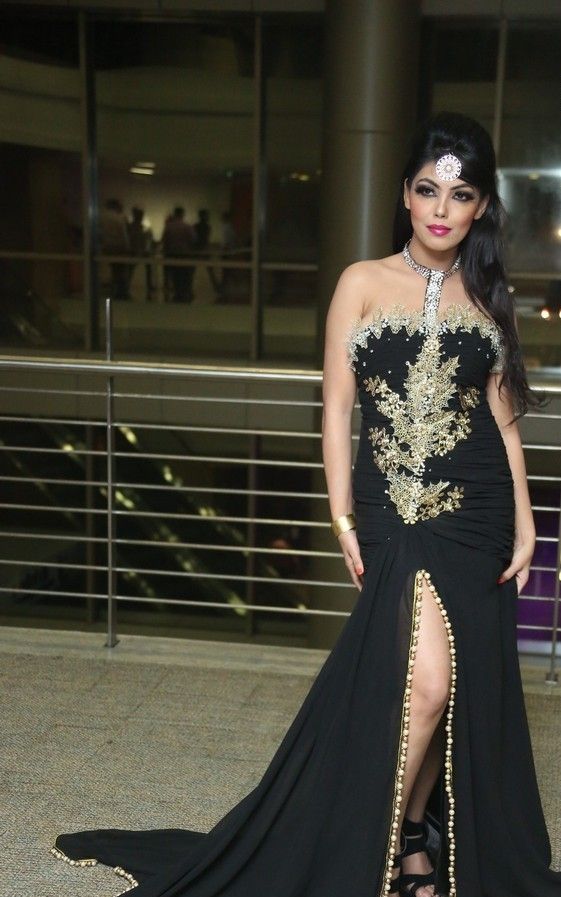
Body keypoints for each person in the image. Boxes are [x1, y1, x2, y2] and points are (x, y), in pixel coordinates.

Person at [50, 113, 561, 897]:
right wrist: (341, 515)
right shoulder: (360, 282)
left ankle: (409, 843)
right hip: (392, 509)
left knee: (452, 685)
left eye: (459, 195)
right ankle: (373, 844)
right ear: (404, 193)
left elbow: (500, 413)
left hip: (479, 512)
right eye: (428, 189)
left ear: (481, 206)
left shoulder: (488, 295)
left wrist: (525, 521)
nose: (440, 209)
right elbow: (335, 408)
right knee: (424, 682)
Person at [162, 207, 195, 303]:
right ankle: (184, 294)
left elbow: (164, 240)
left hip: (172, 254)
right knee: (184, 275)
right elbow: (193, 240)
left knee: (175, 276)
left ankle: (177, 294)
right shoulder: (187, 227)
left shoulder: (169, 227)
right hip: (184, 255)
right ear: (182, 214)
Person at [127, 206, 154, 301]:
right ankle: (149, 285)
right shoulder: (133, 227)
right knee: (130, 270)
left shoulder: (137, 227)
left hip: (139, 250)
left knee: (132, 269)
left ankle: (149, 285)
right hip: (135, 250)